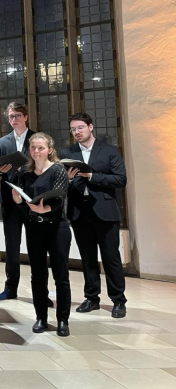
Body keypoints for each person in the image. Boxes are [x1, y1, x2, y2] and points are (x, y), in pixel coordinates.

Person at [61, 113, 128, 318]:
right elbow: (61, 184)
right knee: (87, 258)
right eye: (73, 129)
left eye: (80, 128)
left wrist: (92, 176)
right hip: (80, 212)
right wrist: (69, 180)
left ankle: (118, 301)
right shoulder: (67, 153)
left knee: (111, 258)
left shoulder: (109, 151)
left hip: (105, 213)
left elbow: (120, 179)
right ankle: (91, 298)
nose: (76, 132)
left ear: (90, 127)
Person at [12, 133, 71, 336]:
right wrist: (19, 202)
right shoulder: (24, 173)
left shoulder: (58, 170)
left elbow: (59, 199)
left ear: (50, 150)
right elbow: (23, 208)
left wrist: (44, 210)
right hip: (34, 229)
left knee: (60, 276)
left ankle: (63, 320)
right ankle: (41, 318)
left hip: (57, 228)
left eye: (41, 148)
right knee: (37, 275)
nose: (36, 151)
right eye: (33, 148)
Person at [0, 102, 34, 301]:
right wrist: (0, 169)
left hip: (32, 199)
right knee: (12, 246)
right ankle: (10, 288)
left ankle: (38, 289)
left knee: (36, 246)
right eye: (10, 117)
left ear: (25, 117)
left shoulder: (36, 138)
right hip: (9, 200)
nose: (13, 120)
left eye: (17, 116)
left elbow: (46, 164)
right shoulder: (3, 141)